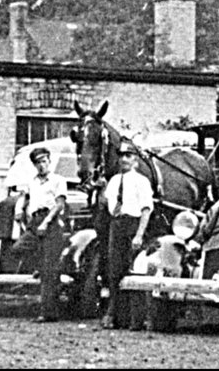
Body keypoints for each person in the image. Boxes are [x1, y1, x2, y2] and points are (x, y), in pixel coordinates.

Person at [7, 147, 70, 322]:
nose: (41, 166)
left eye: (44, 161)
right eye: (38, 163)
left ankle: (48, 313)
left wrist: (46, 222)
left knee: (49, 272)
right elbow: (24, 197)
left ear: (49, 161)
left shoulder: (58, 180)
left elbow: (59, 205)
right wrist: (20, 210)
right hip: (34, 222)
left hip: (50, 222)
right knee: (17, 248)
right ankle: (37, 265)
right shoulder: (32, 181)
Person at [100, 141, 154, 330]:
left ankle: (136, 319)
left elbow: (146, 210)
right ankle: (115, 316)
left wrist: (139, 235)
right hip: (117, 225)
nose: (124, 159)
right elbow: (107, 204)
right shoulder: (114, 181)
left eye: (128, 156)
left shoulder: (142, 181)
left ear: (135, 160)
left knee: (134, 270)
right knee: (115, 271)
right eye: (121, 156)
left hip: (133, 224)